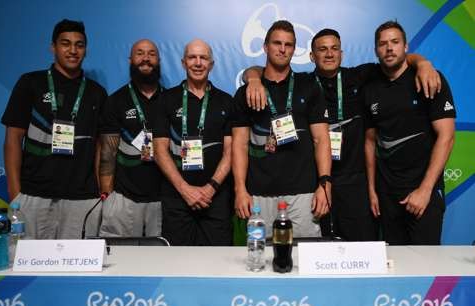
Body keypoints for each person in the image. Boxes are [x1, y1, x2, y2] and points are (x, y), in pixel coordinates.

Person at [243, 28, 441, 241]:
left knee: (361, 250)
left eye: (334, 49)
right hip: (315, 185)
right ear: (312, 56)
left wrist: (422, 63)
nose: (329, 54)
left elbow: (394, 58)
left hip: (354, 184)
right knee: (318, 251)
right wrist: (254, 78)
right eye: (322, 49)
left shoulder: (360, 77)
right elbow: (260, 69)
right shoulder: (303, 85)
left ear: (342, 53)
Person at [1, 19, 107, 239]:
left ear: (85, 50)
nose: (73, 50)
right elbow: (13, 139)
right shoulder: (31, 83)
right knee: (29, 267)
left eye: (79, 45)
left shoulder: (97, 92)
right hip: (34, 195)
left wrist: (99, 190)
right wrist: (14, 193)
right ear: (53, 47)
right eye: (65, 43)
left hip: (82, 198)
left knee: (78, 269)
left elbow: (100, 146)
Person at [232, 20, 331, 238]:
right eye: (277, 43)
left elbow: (321, 140)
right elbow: (238, 145)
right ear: (266, 47)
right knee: (261, 260)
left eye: (289, 44)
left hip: (303, 194)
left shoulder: (309, 86)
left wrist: (324, 185)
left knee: (303, 262)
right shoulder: (246, 93)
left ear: (294, 50)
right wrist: (240, 189)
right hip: (259, 196)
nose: (283, 49)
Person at [364, 21, 456, 245]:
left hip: (423, 193)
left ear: (406, 47)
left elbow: (447, 137)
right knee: (395, 268)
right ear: (376, 49)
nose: (389, 48)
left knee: (426, 266)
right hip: (387, 196)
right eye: (383, 44)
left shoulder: (430, 79)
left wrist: (425, 191)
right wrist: (372, 190)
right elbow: (370, 142)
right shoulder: (370, 88)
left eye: (395, 42)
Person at [153, 39, 234, 245]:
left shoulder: (226, 101)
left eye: (203, 58)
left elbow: (230, 151)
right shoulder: (166, 100)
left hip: (216, 199)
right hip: (177, 198)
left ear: (212, 64)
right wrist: (184, 189)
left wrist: (211, 188)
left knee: (218, 264)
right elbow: (160, 150)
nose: (198, 63)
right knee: (177, 265)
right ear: (183, 63)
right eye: (192, 57)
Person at [98, 39, 164, 237]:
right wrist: (108, 197)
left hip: (163, 200)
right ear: (130, 60)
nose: (146, 59)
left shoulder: (172, 100)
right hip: (125, 199)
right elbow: (107, 153)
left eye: (151, 54)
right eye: (140, 53)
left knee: (162, 262)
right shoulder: (115, 101)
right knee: (121, 262)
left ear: (159, 61)